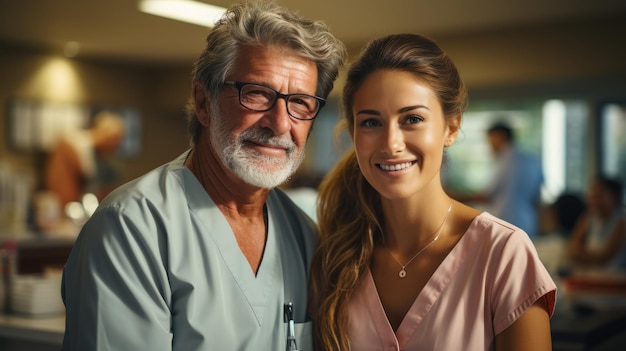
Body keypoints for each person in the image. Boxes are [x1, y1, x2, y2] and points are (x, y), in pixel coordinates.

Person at [61, 1, 346, 350]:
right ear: (203, 102)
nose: (281, 123)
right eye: (257, 94)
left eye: (300, 103)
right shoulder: (132, 228)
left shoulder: (303, 235)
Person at [309, 34, 556, 351]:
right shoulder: (335, 256)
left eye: (412, 119)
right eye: (371, 122)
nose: (391, 144)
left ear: (451, 128)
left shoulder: (504, 254)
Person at [454, 121, 544, 239]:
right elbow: (537, 198)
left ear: (500, 137)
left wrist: (453, 198)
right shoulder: (531, 160)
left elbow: (487, 196)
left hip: (506, 222)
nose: (489, 145)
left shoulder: (505, 160)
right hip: (528, 223)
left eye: (490, 140)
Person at [45, 110, 126, 208]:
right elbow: (61, 188)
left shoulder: (100, 155)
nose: (117, 146)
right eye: (116, 139)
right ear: (108, 135)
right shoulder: (69, 147)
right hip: (70, 209)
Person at [567, 175, 626, 269]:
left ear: (615, 198)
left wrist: (583, 255)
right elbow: (573, 248)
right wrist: (590, 257)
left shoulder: (622, 222)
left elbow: (604, 258)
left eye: (599, 196)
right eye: (593, 195)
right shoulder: (588, 218)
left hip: (615, 277)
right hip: (590, 273)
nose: (594, 200)